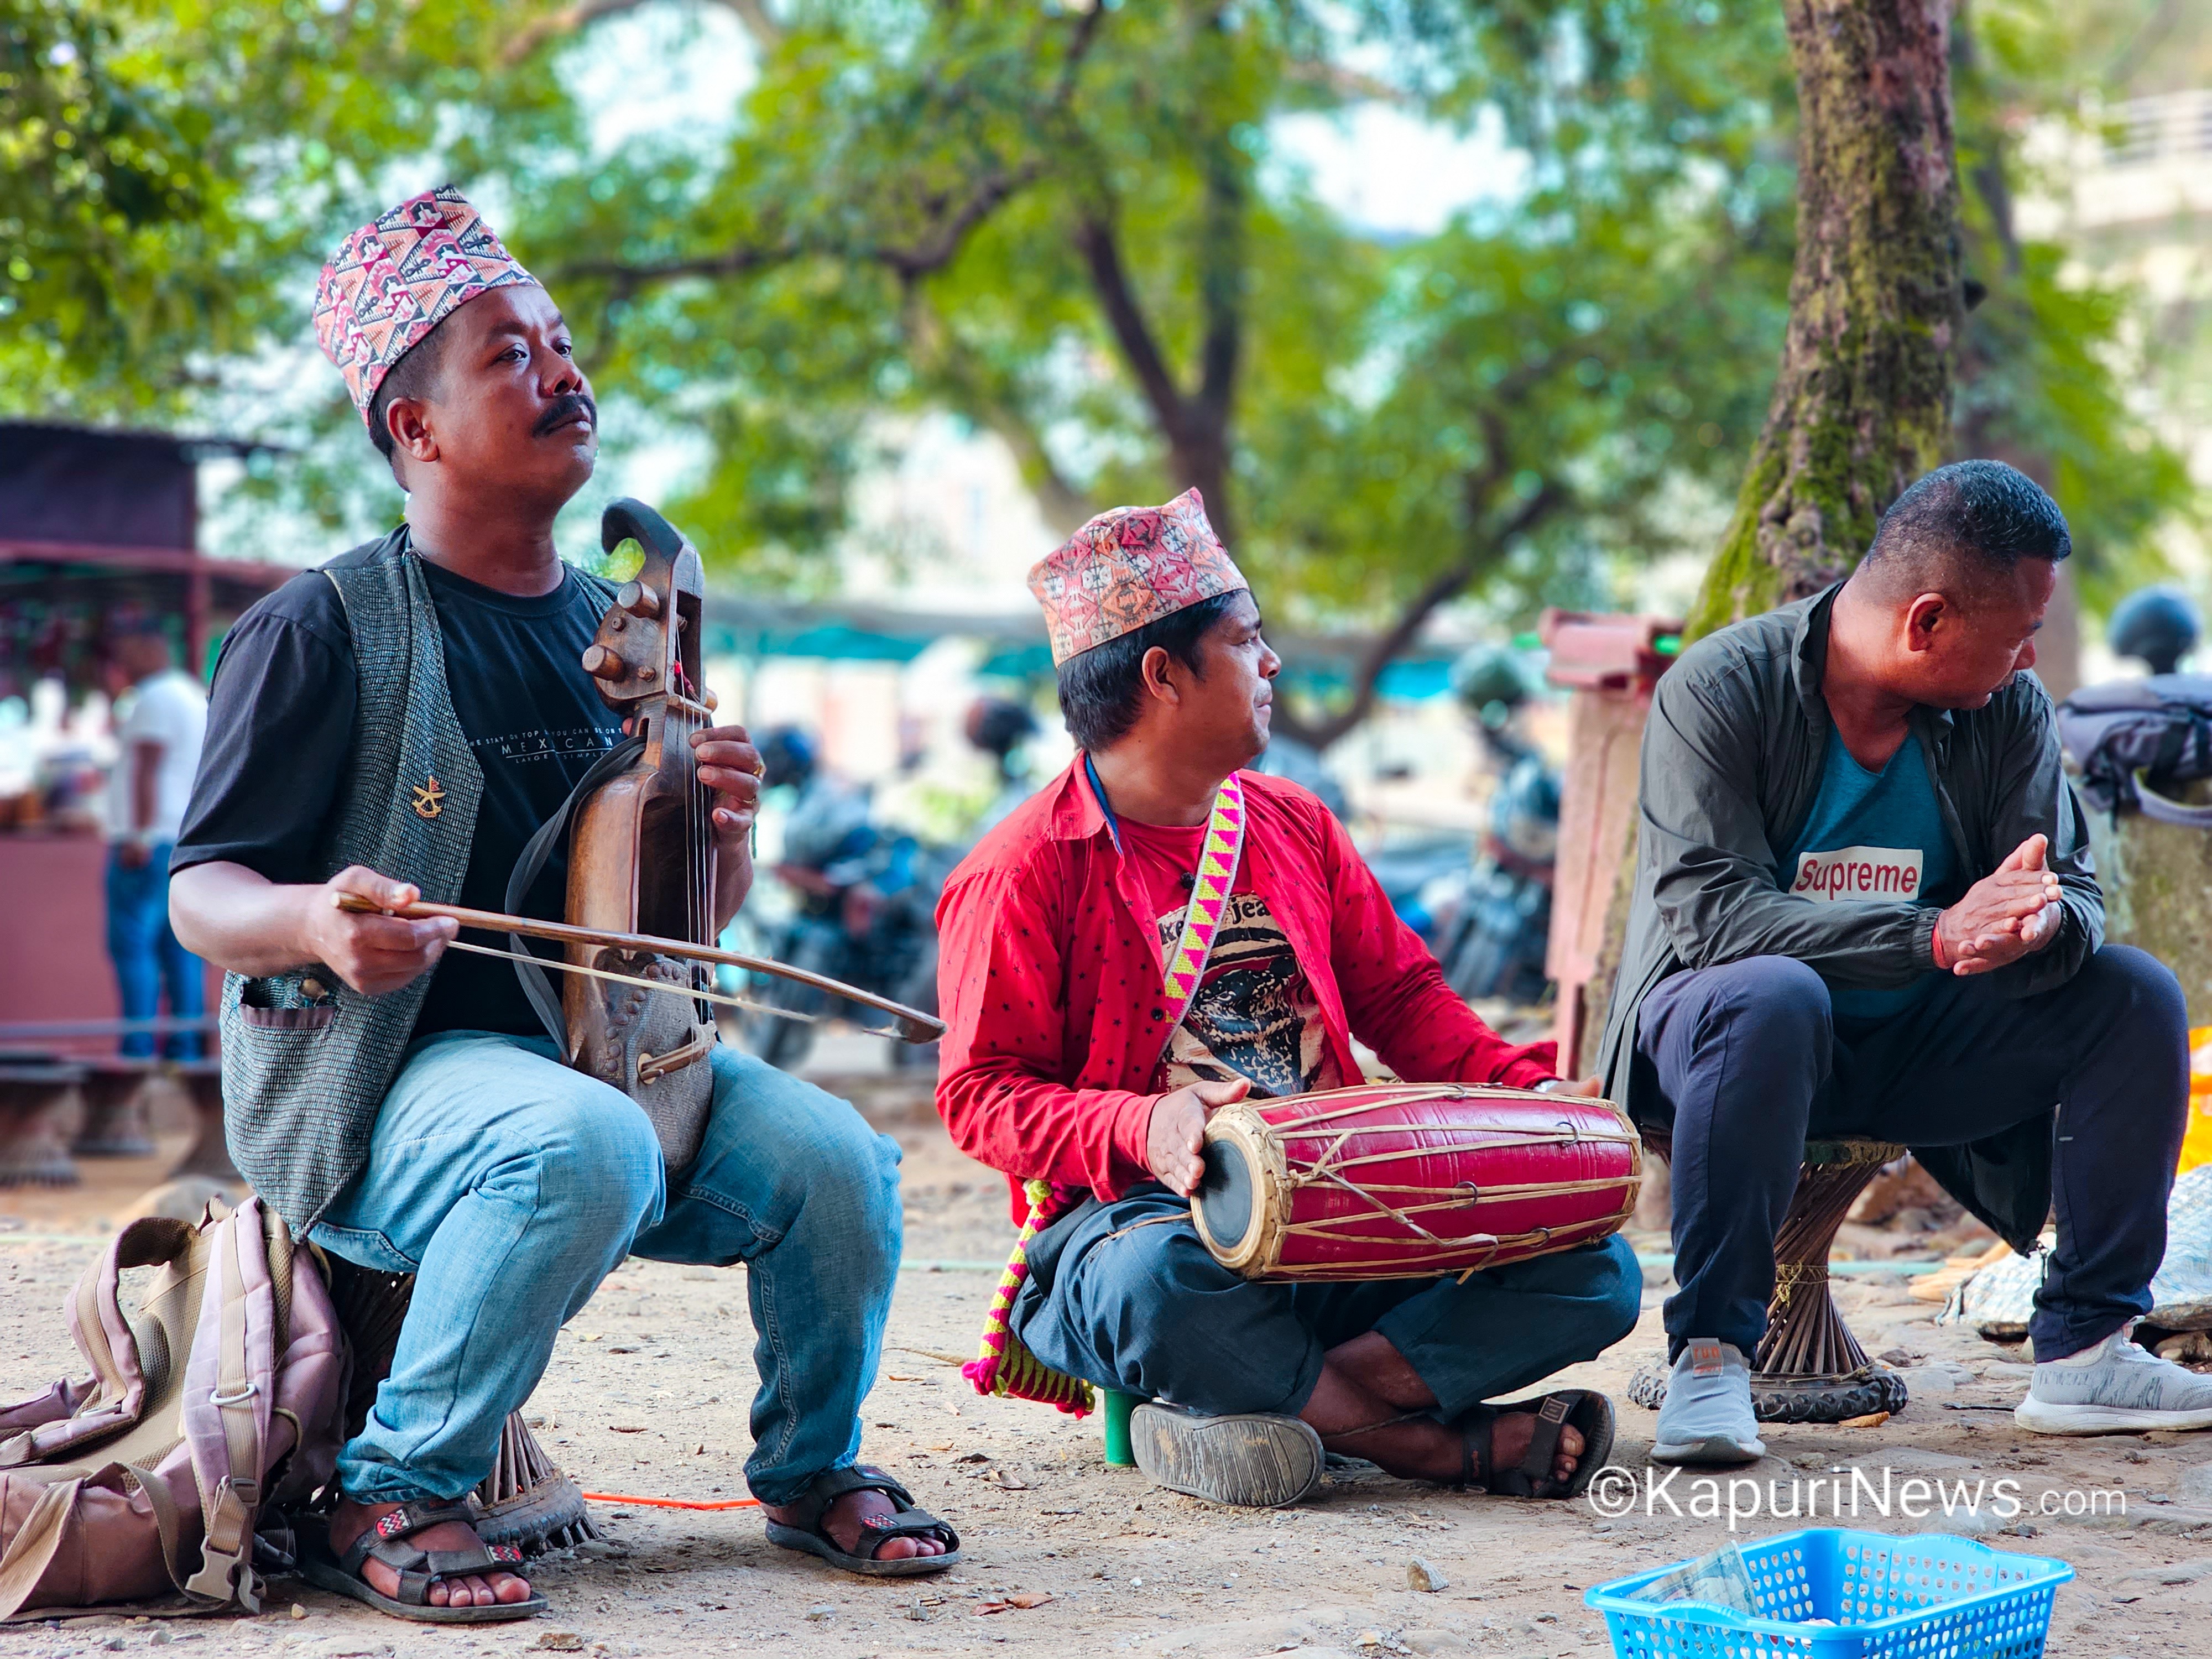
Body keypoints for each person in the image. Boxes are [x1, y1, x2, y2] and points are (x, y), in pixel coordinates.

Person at [168, 187, 956, 1625]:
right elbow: (202, 896)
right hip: (390, 1086)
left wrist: (727, 824)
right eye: (512, 356)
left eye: (564, 343)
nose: (565, 372)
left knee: (841, 1158)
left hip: (614, 1068)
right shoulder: (321, 628)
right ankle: (395, 1483)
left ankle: (811, 1466)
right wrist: (317, 920)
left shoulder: (621, 631)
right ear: (414, 429)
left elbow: (679, 940)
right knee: (576, 1139)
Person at [933, 489, 1642, 1510]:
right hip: (1151, 1228)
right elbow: (980, 1095)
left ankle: (1276, 1406)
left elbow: (1401, 998)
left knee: (1596, 1268)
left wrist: (1531, 1100)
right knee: (1157, 1290)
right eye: (1247, 640)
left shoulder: (1292, 821)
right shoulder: (1022, 869)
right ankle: (1434, 1448)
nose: (1271, 665)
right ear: (1163, 674)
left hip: (1346, 1211)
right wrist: (1142, 1123)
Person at [1598, 459, 2212, 1465]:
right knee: (1773, 995)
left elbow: (2074, 890)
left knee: (2135, 992)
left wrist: (2040, 925)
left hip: (1917, 1047)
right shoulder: (1721, 687)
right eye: (2016, 636)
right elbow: (1709, 917)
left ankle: (2088, 1351)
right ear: (1925, 623)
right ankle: (1710, 1362)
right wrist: (1933, 933)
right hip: (1723, 1044)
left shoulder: (2007, 713)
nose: (2026, 663)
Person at [102, 619, 208, 1060]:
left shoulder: (153, 699)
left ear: (150, 647)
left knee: (132, 945)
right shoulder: (189, 695)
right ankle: (185, 1047)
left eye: (126, 648)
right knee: (180, 946)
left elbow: (147, 768)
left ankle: (138, 1048)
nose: (120, 661)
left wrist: (140, 835)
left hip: (148, 842)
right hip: (181, 839)